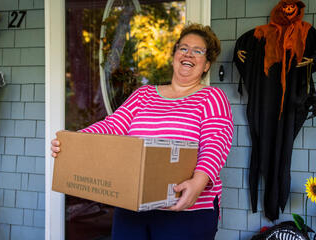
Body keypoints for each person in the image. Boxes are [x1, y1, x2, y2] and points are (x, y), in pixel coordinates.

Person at [51, 23, 234, 240]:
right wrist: (74, 141)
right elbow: (112, 126)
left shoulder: (212, 98)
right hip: (133, 206)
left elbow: (216, 143)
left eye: (198, 51)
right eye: (183, 48)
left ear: (206, 65)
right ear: (174, 55)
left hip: (186, 209)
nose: (189, 54)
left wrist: (199, 182)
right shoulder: (144, 95)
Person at [233, 0, 316, 221]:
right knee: (263, 144)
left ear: (298, 10)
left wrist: (311, 61)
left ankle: (276, 199)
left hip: (290, 104)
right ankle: (269, 200)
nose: (289, 10)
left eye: (293, 6)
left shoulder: (306, 32)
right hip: (265, 101)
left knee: (282, 148)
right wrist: (240, 50)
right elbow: (245, 45)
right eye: (285, 5)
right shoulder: (262, 34)